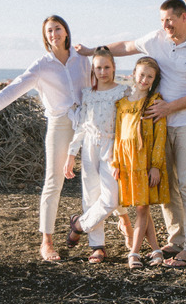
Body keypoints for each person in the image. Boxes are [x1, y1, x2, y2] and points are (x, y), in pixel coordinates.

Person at [77, 0, 186, 268]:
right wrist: (93, 51)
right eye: (162, 21)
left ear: (184, 17)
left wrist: (169, 107)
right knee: (165, 184)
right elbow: (127, 46)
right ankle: (176, 240)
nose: (165, 26)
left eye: (170, 21)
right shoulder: (156, 38)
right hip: (155, 126)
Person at [0, 15, 89, 263]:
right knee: (53, 182)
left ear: (66, 32)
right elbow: (12, 90)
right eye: (49, 31)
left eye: (57, 29)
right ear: (46, 37)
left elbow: (99, 82)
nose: (53, 34)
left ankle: (99, 236)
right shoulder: (41, 65)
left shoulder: (82, 58)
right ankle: (47, 241)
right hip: (60, 123)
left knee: (97, 176)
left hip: (88, 121)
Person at [63, 46, 133, 263]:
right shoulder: (88, 94)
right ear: (93, 70)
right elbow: (82, 126)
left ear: (113, 68)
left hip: (112, 148)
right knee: (90, 196)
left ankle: (78, 225)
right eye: (98, 68)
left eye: (106, 67)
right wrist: (71, 154)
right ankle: (97, 246)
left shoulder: (123, 91)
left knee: (111, 198)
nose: (102, 72)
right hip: (90, 147)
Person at [111, 56, 169, 269]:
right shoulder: (123, 104)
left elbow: (160, 136)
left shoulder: (155, 102)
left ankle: (134, 252)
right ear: (134, 73)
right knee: (141, 207)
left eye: (149, 76)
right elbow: (118, 135)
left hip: (145, 163)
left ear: (154, 80)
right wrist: (116, 162)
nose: (144, 79)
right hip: (127, 164)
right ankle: (155, 249)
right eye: (141, 74)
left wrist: (155, 165)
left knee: (142, 209)